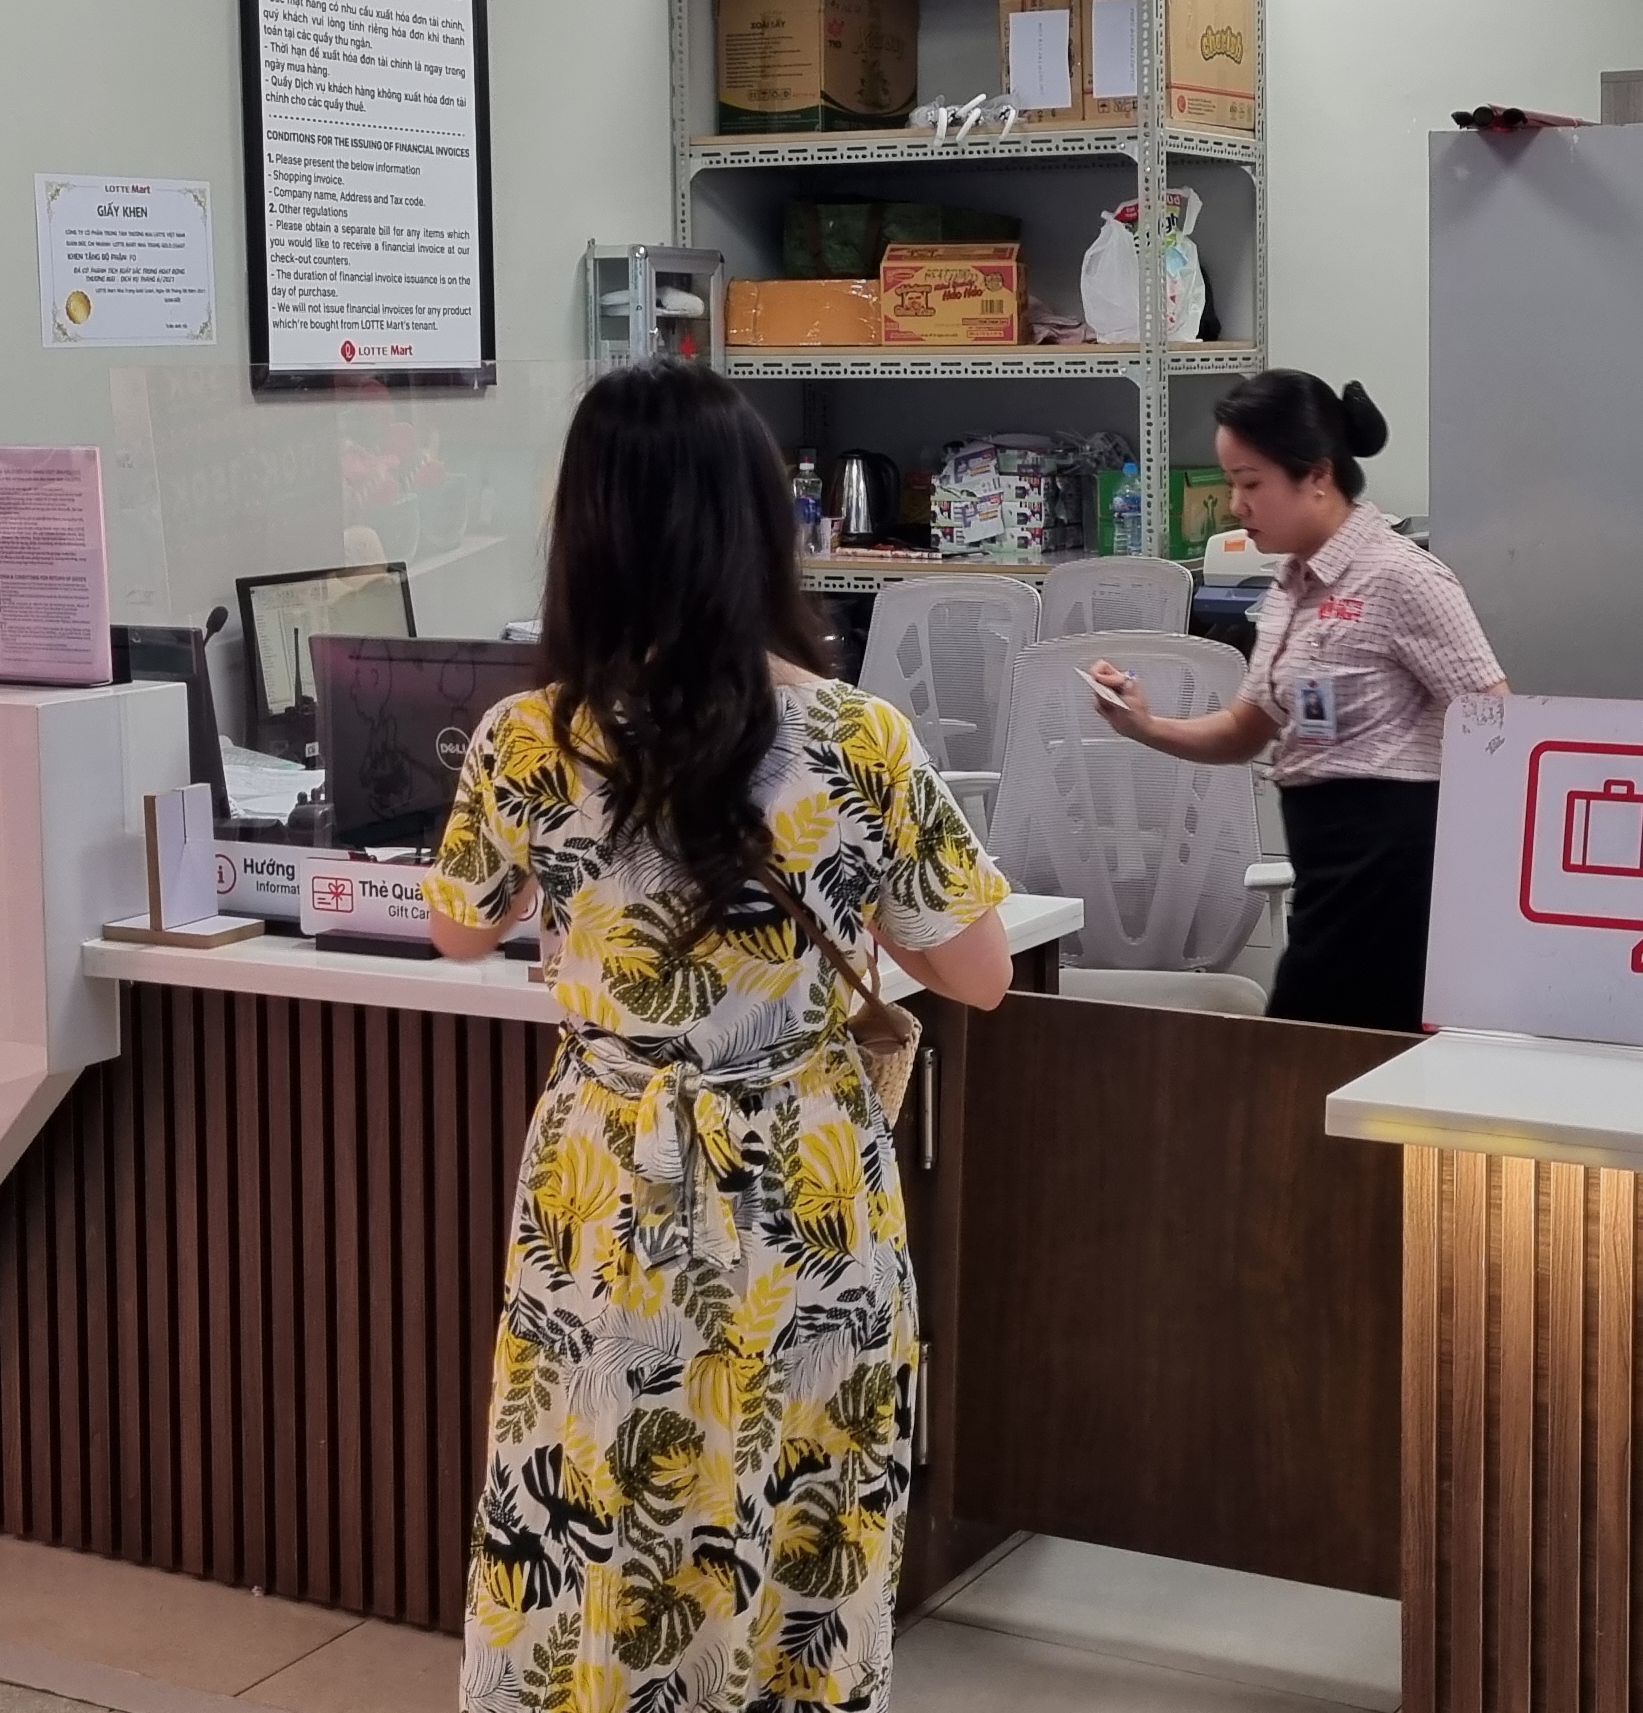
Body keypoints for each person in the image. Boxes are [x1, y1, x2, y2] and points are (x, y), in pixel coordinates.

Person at [421, 361, 1015, 1713]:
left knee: (595, 1494)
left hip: (606, 1176)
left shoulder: (525, 740)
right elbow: (978, 974)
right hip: (804, 1175)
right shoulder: (858, 737)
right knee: (804, 1490)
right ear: (758, 523)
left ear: (587, 529)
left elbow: (459, 927)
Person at [1087, 371, 1507, 1031]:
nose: (1235, 505)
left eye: (1251, 483)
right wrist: (1144, 723)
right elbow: (1244, 730)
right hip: (1325, 856)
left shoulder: (1401, 576)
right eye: (1232, 484)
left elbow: (1498, 725)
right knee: (1314, 1051)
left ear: (1316, 474)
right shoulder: (1290, 586)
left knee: (1312, 1049)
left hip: (1393, 863)